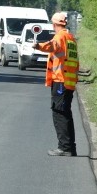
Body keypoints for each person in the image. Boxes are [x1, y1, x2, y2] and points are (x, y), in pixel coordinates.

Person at [32, 11, 80, 156]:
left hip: (60, 80)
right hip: (69, 81)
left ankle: (64, 148)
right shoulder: (71, 37)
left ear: (54, 24)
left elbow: (52, 46)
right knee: (66, 113)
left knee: (59, 113)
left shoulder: (60, 37)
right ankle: (70, 147)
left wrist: (38, 46)